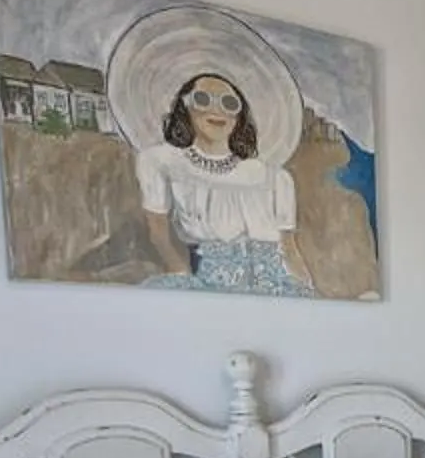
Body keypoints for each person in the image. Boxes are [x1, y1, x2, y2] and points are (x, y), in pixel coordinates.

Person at [132, 71, 310, 294]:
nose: (217, 110)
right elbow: (158, 234)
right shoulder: (161, 161)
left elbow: (289, 249)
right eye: (203, 100)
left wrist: (308, 294)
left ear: (239, 115)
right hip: (205, 283)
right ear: (184, 106)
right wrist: (183, 275)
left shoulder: (275, 177)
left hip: (273, 287)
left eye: (229, 103)